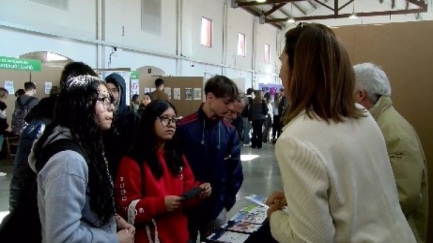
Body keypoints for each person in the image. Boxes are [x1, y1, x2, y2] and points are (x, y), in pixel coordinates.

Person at [266, 23, 416, 242]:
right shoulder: (361, 116)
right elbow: (354, 191)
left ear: (299, 70)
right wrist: (296, 199)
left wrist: (275, 217)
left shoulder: (296, 140)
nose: (280, 72)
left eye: (282, 62)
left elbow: (309, 239)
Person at [29, 75, 135, 242]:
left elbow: (82, 205)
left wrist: (110, 218)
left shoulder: (87, 145)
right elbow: (63, 237)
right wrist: (114, 239)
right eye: (103, 99)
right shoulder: (68, 161)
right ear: (81, 104)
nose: (112, 107)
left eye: (111, 99)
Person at [114, 100, 211, 243]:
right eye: (164, 118)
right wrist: (161, 204)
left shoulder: (176, 156)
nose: (171, 124)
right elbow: (126, 210)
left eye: (173, 119)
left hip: (180, 236)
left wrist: (199, 191)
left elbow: (187, 190)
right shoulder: (132, 160)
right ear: (150, 121)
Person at [9, 61, 99, 212]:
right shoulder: (41, 125)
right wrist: (17, 216)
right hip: (38, 215)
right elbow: (20, 178)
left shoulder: (77, 123)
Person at [354, 63, 428, 243]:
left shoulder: (393, 133)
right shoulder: (378, 125)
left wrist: (357, 220)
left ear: (360, 94)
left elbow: (405, 196)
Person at [176, 75, 243, 242]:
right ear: (210, 97)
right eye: (226, 102)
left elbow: (235, 172)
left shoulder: (229, 132)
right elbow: (173, 169)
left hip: (216, 210)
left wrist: (226, 203)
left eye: (232, 102)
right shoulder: (183, 128)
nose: (230, 108)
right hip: (186, 210)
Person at [103, 73, 140, 178]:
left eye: (114, 90)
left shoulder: (133, 119)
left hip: (128, 174)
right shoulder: (100, 117)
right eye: (107, 90)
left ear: (121, 92)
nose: (110, 94)